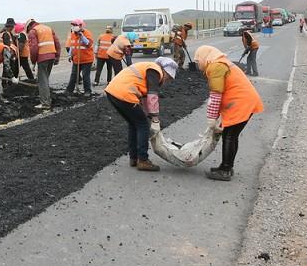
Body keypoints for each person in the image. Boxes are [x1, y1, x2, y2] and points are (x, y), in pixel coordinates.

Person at [193, 45, 264, 181]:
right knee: (231, 135)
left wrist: (211, 119)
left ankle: (225, 170)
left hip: (241, 103)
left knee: (229, 136)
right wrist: (218, 117)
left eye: (198, 61)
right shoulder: (220, 64)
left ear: (204, 57)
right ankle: (226, 167)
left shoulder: (216, 67)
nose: (198, 64)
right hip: (243, 102)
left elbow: (216, 95)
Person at [105, 57, 178, 171]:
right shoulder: (155, 70)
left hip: (113, 92)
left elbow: (145, 98)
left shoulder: (148, 68)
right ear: (165, 71)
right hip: (124, 93)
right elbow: (152, 95)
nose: (166, 81)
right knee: (143, 125)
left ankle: (134, 158)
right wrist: (155, 119)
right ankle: (143, 160)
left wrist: (150, 114)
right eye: (168, 78)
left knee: (134, 123)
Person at [26, 18, 61, 110]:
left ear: (29, 26)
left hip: (42, 57)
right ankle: (47, 99)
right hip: (51, 56)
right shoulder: (48, 28)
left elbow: (33, 48)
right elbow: (57, 43)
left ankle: (45, 104)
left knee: (42, 81)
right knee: (45, 79)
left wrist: (33, 61)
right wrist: (57, 56)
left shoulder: (33, 31)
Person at [65, 19, 94, 96]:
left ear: (80, 26)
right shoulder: (72, 34)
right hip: (76, 59)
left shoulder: (87, 33)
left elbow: (88, 44)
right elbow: (72, 45)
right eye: (73, 25)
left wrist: (81, 36)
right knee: (74, 75)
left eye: (75, 25)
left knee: (85, 76)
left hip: (86, 59)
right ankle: (69, 90)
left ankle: (87, 91)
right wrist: (70, 55)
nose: (73, 27)